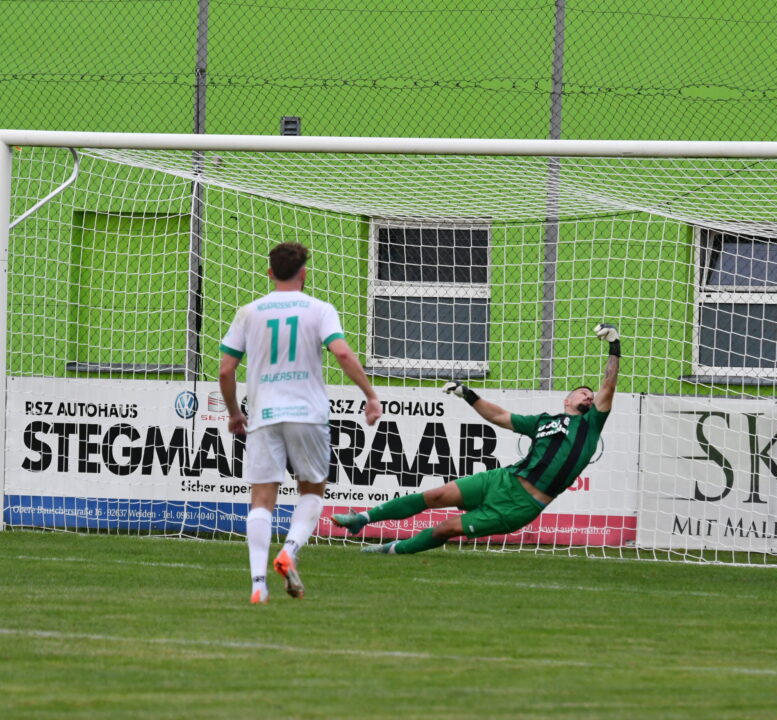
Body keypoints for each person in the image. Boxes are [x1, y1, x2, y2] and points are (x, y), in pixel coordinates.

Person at [331, 323, 621, 555]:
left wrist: (614, 345)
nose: (589, 395)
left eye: (591, 395)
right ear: (567, 399)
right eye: (583, 391)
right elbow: (498, 416)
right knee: (434, 496)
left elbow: (608, 385)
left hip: (521, 505)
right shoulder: (544, 422)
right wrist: (468, 394)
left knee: (446, 529)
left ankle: (391, 550)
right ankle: (362, 520)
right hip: (502, 479)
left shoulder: (591, 423)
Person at [219, 242, 382, 603]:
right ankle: (289, 551)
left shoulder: (249, 312)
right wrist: (370, 395)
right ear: (304, 273)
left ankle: (258, 585)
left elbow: (226, 370)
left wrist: (234, 412)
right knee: (312, 491)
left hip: (264, 415)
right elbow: (340, 351)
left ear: (270, 273)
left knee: (261, 500)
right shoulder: (320, 309)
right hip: (308, 415)